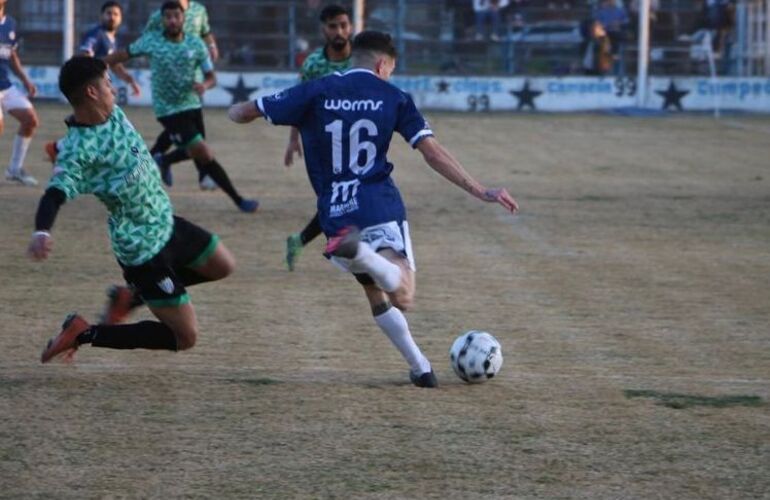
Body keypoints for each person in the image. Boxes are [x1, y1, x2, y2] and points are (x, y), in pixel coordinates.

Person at [228, 31, 518, 388]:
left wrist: (236, 111)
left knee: (374, 292)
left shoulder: (315, 90)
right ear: (383, 65)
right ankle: (364, 254)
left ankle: (420, 368)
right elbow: (432, 152)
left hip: (335, 210)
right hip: (377, 203)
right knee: (404, 293)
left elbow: (243, 112)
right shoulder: (393, 97)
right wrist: (480, 190)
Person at [31, 56, 237, 363]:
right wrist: (42, 230)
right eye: (107, 83)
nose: (113, 87)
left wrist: (57, 147)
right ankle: (83, 332)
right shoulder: (79, 149)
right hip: (142, 250)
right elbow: (54, 195)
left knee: (223, 265)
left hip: (165, 223)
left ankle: (131, 297)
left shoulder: (113, 113)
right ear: (91, 92)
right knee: (185, 337)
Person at [104, 1, 258, 213]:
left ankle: (162, 160)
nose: (173, 20)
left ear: (184, 18)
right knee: (203, 151)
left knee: (203, 156)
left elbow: (211, 76)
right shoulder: (152, 41)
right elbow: (117, 57)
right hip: (168, 110)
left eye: (176, 16)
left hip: (192, 105)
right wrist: (104, 69)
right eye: (168, 17)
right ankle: (239, 200)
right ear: (162, 19)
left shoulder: (195, 44)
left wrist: (204, 85)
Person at [284, 4, 353, 272]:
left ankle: (300, 241)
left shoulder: (361, 60)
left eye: (344, 25)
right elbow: (300, 103)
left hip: (352, 144)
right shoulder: (314, 64)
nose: (340, 31)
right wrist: (293, 140)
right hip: (319, 146)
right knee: (333, 201)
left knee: (342, 201)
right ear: (323, 29)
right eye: (333, 26)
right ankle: (341, 248)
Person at [44, 1, 140, 164]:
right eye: (108, 13)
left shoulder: (110, 38)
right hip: (93, 90)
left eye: (115, 14)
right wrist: (95, 80)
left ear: (121, 19)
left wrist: (130, 80)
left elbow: (113, 63)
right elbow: (84, 55)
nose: (111, 17)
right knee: (108, 122)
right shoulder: (96, 34)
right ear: (101, 16)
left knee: (99, 124)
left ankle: (59, 148)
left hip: (100, 89)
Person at [144, 0, 219, 190]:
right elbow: (147, 39)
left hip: (194, 79)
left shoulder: (199, 10)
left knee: (188, 130)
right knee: (187, 131)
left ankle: (155, 162)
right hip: (168, 82)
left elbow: (205, 33)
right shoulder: (157, 15)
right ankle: (202, 174)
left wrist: (212, 46)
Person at [0, 0, 39, 186]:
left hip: (6, 86)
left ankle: (14, 170)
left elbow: (12, 55)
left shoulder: (11, 24)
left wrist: (26, 80)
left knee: (30, 120)